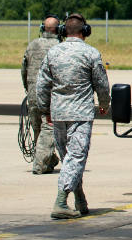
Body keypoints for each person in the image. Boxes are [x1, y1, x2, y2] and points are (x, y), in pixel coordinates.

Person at [36, 13, 109, 219]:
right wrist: (105, 104)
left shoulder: (53, 52)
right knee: (76, 157)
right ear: (85, 32)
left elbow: (42, 84)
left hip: (58, 113)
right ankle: (61, 201)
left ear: (63, 32)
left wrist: (45, 110)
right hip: (80, 114)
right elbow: (101, 84)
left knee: (68, 158)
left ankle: (80, 199)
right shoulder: (91, 53)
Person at [21, 15, 62, 174]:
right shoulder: (59, 47)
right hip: (50, 97)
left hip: (33, 95)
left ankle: (49, 160)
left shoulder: (32, 45)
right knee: (49, 129)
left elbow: (24, 70)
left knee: (38, 131)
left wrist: (28, 88)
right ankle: (40, 165)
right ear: (59, 30)